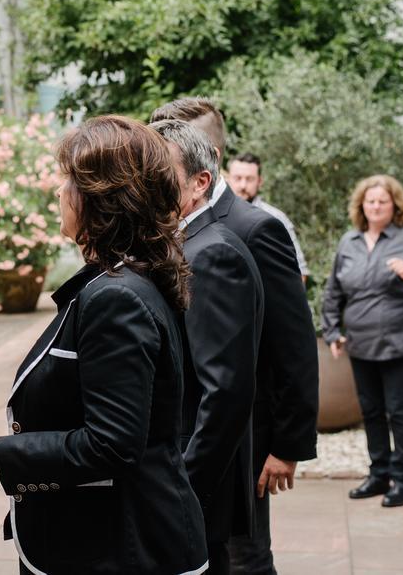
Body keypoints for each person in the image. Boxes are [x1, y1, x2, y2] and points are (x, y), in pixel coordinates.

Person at [0, 116, 209, 575]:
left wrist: (1, 455)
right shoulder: (124, 280)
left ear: (103, 200)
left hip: (120, 550)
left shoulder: (118, 297)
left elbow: (113, 445)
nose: (59, 193)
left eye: (69, 181)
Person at [151, 98, 318, 575]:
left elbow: (293, 343)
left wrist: (287, 445)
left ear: (206, 158)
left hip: (247, 432)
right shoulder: (174, 223)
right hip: (196, 425)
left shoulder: (255, 228)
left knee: (245, 556)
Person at [154, 121, 263, 575]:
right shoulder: (186, 243)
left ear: (199, 183)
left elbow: (225, 395)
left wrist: (184, 489)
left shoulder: (211, 254)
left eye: (161, 173)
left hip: (194, 484)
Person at [321, 174, 403, 508]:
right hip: (361, 345)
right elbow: (333, 291)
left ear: (395, 205)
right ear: (361, 205)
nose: (375, 206)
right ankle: (378, 476)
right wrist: (332, 330)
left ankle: (402, 481)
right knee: (372, 411)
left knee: (397, 411)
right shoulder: (350, 241)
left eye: (383, 201)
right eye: (370, 201)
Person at [227, 153, 309, 280]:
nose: (243, 185)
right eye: (238, 178)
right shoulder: (213, 214)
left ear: (260, 182)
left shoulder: (276, 218)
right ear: (228, 178)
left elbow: (299, 272)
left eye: (249, 179)